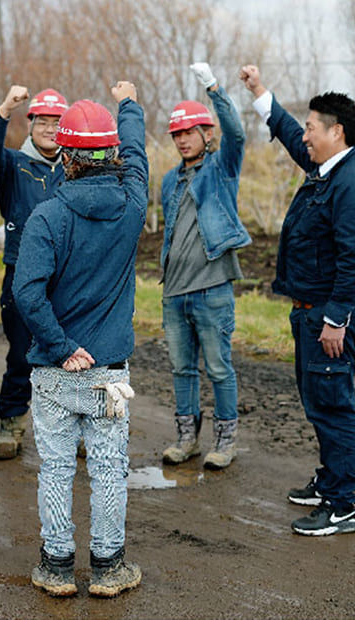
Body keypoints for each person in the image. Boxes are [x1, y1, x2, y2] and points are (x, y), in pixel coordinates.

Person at [13, 81, 146, 597]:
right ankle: (110, 569)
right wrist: (128, 105)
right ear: (110, 152)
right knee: (110, 470)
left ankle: (57, 566)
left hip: (54, 370)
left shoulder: (48, 214)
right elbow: (137, 158)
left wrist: (62, 345)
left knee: (56, 468)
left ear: (65, 155)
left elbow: (27, 292)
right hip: (109, 375)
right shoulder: (132, 206)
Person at [241, 64, 355, 536]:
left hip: (326, 320)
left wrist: (335, 319)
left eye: (312, 128)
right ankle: (334, 480)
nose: (305, 136)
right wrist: (260, 92)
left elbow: (353, 257)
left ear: (337, 132)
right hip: (309, 314)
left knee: (332, 407)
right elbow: (289, 135)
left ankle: (344, 502)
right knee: (320, 401)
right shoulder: (328, 169)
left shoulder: (349, 184)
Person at [160, 62, 251, 470]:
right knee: (182, 369)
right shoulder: (168, 181)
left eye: (189, 132)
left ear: (205, 134)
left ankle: (225, 440)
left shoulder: (222, 169)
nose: (182, 140)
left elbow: (237, 133)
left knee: (217, 367)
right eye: (177, 134)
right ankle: (186, 438)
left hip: (212, 289)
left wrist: (214, 87)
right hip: (174, 292)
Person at [0, 86, 68, 459]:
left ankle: (72, 428)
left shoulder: (75, 168)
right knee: (21, 354)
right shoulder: (13, 165)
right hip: (22, 276)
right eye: (42, 121)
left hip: (65, 277)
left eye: (56, 122)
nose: (49, 129)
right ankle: (11, 423)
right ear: (30, 125)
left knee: (70, 355)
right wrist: (4, 109)